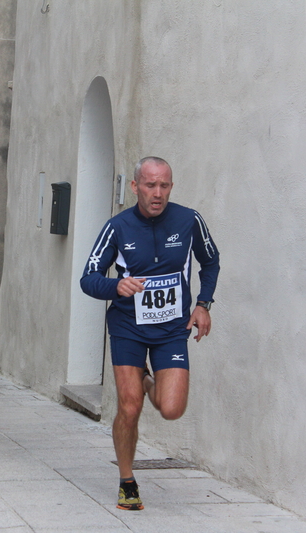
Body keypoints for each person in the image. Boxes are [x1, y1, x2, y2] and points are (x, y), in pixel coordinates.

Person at [80, 156, 220, 510]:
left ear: (171, 186)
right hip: (128, 326)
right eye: (150, 185)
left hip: (172, 329)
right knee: (130, 407)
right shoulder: (117, 227)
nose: (157, 193)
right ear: (135, 187)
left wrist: (203, 304)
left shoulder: (189, 220)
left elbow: (211, 260)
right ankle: (127, 481)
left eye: (164, 186)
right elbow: (88, 278)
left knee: (171, 408)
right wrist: (117, 286)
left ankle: (145, 379)